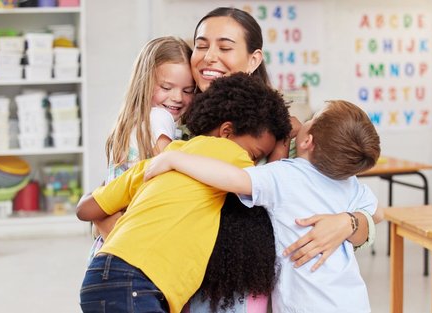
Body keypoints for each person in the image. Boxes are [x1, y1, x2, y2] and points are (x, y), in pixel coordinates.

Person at [182, 7, 381, 313]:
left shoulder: (283, 131)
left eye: (224, 47)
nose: (209, 57)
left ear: (254, 59)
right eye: (201, 44)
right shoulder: (173, 116)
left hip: (252, 295)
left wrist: (349, 222)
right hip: (179, 281)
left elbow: (364, 212)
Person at [77, 73, 292, 313]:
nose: (252, 162)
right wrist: (282, 147)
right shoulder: (229, 153)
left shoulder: (160, 161)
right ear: (227, 131)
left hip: (100, 275)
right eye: (254, 154)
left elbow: (85, 209)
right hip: (138, 282)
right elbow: (265, 183)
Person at [145, 100, 381, 312]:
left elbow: (233, 178)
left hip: (305, 305)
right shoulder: (350, 183)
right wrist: (348, 219)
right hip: (353, 301)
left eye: (311, 120)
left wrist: (174, 158)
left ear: (308, 141)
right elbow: (377, 213)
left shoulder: (286, 174)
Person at [89, 36, 195, 255]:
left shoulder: (130, 124)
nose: (177, 97)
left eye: (188, 90)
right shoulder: (158, 117)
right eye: (166, 87)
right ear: (145, 82)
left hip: (110, 248)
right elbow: (173, 166)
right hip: (134, 245)